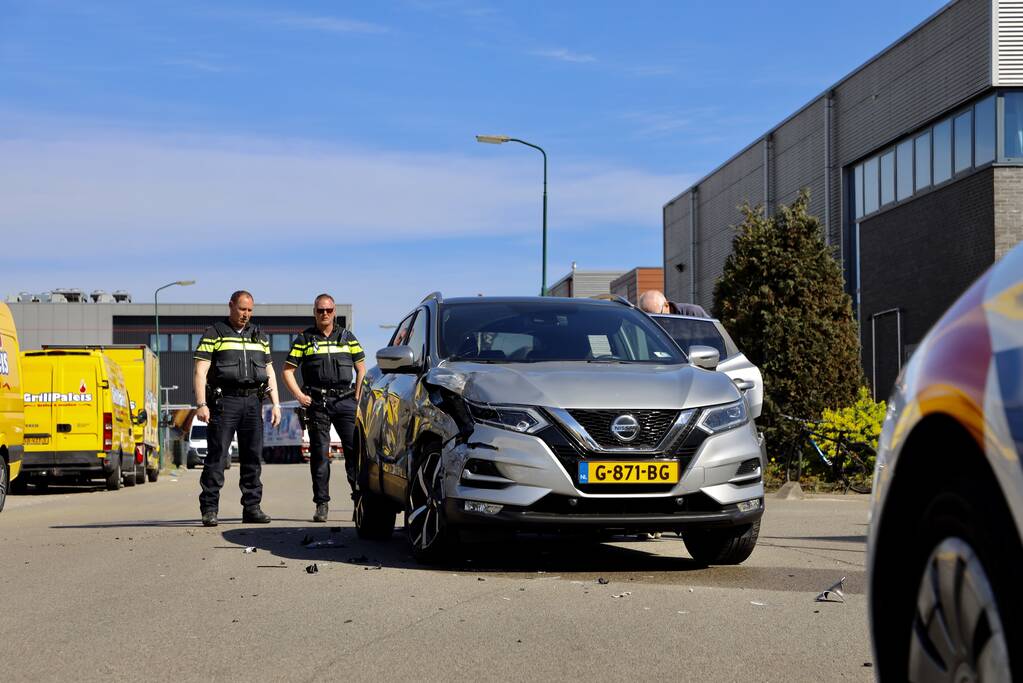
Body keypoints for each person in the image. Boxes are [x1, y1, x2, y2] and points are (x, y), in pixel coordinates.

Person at [193, 290, 281, 527]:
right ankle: (210, 509)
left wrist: (276, 404)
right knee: (218, 456)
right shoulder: (215, 333)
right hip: (225, 402)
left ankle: (252, 507)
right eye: (242, 309)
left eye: (250, 310)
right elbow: (200, 370)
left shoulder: (259, 336)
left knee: (253, 456)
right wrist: (201, 404)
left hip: (253, 402)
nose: (246, 315)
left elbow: (269, 371)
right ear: (231, 306)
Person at [281, 294, 365, 523]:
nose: (324, 314)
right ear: (315, 312)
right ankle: (322, 504)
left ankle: (360, 499)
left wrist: (357, 397)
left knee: (354, 452)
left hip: (346, 401)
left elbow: (361, 367)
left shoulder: (347, 337)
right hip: (317, 403)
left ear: (334, 311)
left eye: (328, 310)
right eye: (320, 310)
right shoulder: (304, 339)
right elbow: (287, 371)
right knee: (319, 454)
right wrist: (299, 395)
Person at [637, 290, 709, 318]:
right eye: (651, 317)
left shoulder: (692, 313)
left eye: (658, 315)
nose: (656, 320)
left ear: (666, 305)